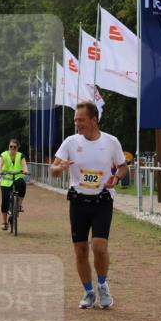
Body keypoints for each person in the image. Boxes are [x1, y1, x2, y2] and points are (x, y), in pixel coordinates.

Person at [50, 101, 127, 309]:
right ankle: (88, 292)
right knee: (81, 250)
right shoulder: (70, 142)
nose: (77, 124)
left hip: (102, 199)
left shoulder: (111, 142)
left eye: (81, 120)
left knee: (99, 247)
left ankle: (102, 285)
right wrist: (60, 167)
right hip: (78, 201)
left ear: (94, 120)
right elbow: (53, 169)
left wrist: (116, 178)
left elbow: (122, 167)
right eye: (75, 120)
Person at [0, 139, 29, 230]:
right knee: (4, 200)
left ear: (18, 148)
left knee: (23, 184)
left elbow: (24, 165)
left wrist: (25, 170)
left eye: (14, 147)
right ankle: (4, 222)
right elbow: (0, 163)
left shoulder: (20, 156)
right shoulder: (4, 155)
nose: (12, 148)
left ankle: (19, 204)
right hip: (6, 180)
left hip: (17, 178)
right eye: (10, 146)